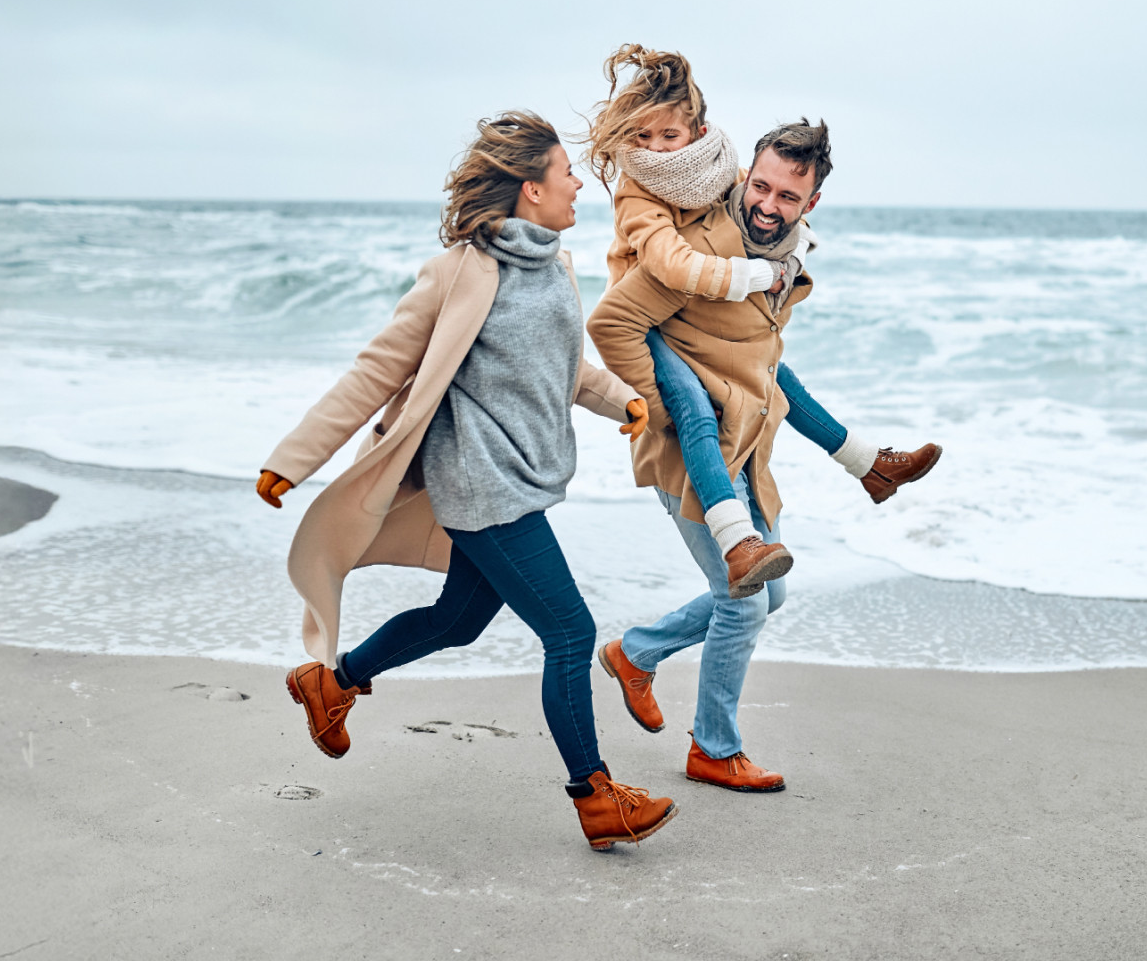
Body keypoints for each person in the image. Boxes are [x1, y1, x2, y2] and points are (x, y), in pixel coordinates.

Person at [255, 111, 676, 851]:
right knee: (571, 633)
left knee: (458, 620)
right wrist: (295, 457)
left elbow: (560, 365)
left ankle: (333, 683)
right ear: (529, 188)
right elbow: (379, 366)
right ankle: (596, 797)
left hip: (524, 474)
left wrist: (623, 399)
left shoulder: (553, 263)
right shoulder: (460, 271)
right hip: (480, 483)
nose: (579, 183)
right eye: (566, 172)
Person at [586, 118, 942, 793]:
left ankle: (636, 654)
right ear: (744, 176)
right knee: (743, 601)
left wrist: (852, 450)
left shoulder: (788, 255)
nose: (767, 204)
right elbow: (610, 322)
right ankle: (713, 749)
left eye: (786, 195)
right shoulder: (702, 251)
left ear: (811, 204)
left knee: (769, 594)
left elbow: (766, 365)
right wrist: (663, 413)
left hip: (744, 452)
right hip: (691, 458)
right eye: (760, 186)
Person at [581, 44, 941, 600]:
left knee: (778, 376)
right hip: (652, 323)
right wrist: (755, 275)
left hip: (701, 313)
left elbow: (756, 210)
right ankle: (735, 540)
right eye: (643, 137)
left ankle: (869, 463)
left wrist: (790, 258)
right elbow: (665, 265)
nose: (654, 149)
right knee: (693, 409)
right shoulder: (639, 188)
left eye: (668, 136)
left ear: (698, 134)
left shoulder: (719, 174)